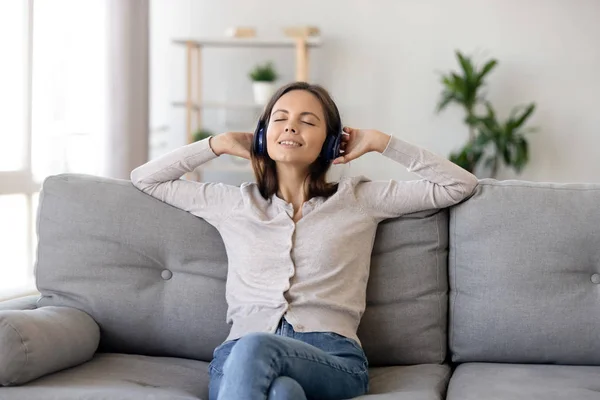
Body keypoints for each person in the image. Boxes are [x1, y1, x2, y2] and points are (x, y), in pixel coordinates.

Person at [130, 81, 478, 400]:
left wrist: (380, 142)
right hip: (236, 361)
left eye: (308, 121)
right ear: (263, 135)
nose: (291, 126)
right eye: (280, 118)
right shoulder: (234, 203)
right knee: (283, 393)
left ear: (331, 141)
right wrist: (217, 144)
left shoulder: (358, 198)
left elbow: (458, 185)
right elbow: (146, 179)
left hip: (332, 359)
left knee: (255, 349)